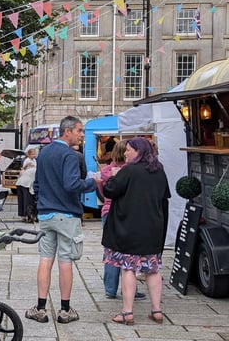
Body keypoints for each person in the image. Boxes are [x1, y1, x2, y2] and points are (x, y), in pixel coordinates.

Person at [25, 116, 97, 325]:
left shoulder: (44, 153)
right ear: (67, 131)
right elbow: (72, 184)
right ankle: (65, 310)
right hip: (66, 214)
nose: (82, 135)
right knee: (65, 261)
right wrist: (93, 182)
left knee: (45, 259)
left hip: (45, 214)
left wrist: (42, 201)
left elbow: (37, 184)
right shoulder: (70, 155)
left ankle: (40, 307)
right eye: (79, 130)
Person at [98, 137, 170, 325]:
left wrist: (113, 176)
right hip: (153, 227)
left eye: (129, 150)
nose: (125, 153)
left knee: (128, 268)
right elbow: (165, 198)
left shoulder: (128, 171)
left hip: (129, 227)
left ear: (139, 151)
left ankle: (127, 312)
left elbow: (110, 191)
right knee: (153, 269)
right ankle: (156, 310)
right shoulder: (159, 171)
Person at [98, 141, 146, 300]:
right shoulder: (131, 172)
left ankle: (110, 289)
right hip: (127, 213)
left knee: (111, 250)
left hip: (107, 211)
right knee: (130, 251)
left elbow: (104, 194)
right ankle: (131, 289)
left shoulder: (105, 171)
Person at [16, 148, 38, 222]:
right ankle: (25, 215)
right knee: (26, 200)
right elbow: (24, 169)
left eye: (34, 154)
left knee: (25, 200)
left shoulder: (35, 161)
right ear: (29, 154)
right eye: (32, 154)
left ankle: (26, 215)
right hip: (25, 183)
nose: (34, 155)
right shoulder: (27, 161)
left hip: (24, 181)